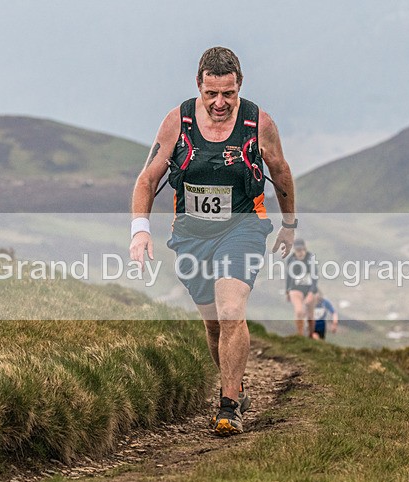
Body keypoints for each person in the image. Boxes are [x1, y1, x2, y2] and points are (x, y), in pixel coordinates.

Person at [129, 47, 297, 436]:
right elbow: (148, 179)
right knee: (213, 323)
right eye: (211, 94)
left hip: (243, 227)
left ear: (240, 87)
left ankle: (229, 405)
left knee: (231, 310)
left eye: (228, 94)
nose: (220, 103)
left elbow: (281, 172)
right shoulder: (178, 121)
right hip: (191, 235)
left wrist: (289, 224)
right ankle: (235, 385)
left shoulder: (259, 123)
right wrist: (140, 230)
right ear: (198, 87)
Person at [285, 238, 318, 336]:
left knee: (310, 315)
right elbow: (289, 276)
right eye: (298, 250)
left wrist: (311, 293)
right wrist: (287, 291)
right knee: (299, 311)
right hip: (296, 289)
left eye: (302, 250)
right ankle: (300, 336)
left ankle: (310, 335)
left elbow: (315, 277)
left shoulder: (311, 258)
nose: (300, 253)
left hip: (309, 289)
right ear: (294, 250)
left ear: (305, 249)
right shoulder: (290, 259)